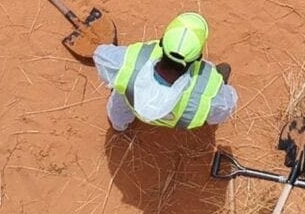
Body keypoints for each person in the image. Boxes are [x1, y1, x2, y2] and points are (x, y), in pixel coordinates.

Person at [93, 12, 238, 130]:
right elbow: (225, 109)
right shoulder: (207, 96)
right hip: (175, 122)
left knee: (120, 95)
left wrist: (119, 79)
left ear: (162, 42)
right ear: (199, 57)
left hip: (133, 103)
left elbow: (100, 55)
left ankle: (119, 126)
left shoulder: (126, 63)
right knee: (214, 86)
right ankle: (219, 82)